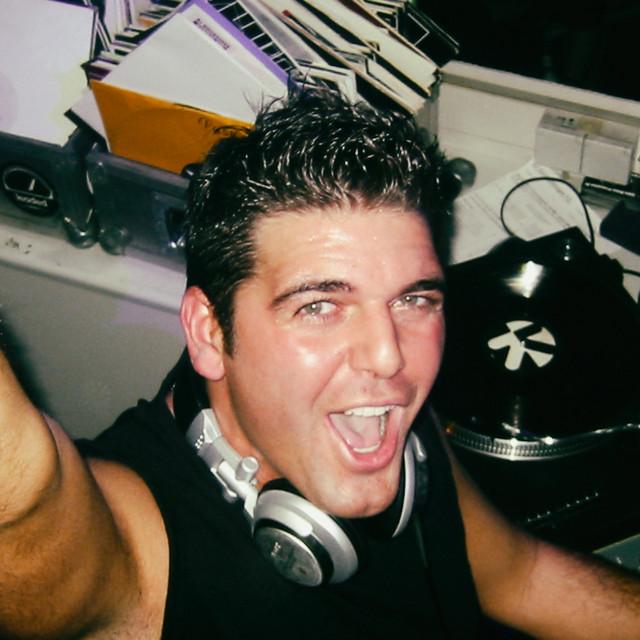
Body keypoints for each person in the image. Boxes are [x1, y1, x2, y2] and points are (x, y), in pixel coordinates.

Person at [1, 90, 639, 639]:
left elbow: (522, 577)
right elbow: (24, 506)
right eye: (319, 306)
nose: (390, 356)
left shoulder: (385, 423)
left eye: (413, 300)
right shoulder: (136, 544)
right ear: (209, 332)